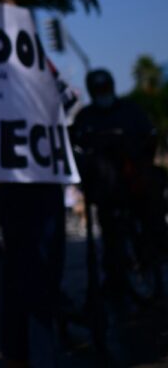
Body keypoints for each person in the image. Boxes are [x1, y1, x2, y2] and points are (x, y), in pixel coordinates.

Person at [71, 68, 160, 302]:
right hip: (107, 194)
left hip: (137, 188)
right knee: (111, 240)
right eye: (98, 89)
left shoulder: (131, 110)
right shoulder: (86, 117)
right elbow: (78, 148)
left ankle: (152, 256)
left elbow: (149, 138)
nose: (102, 93)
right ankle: (115, 279)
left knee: (152, 222)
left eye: (105, 88)